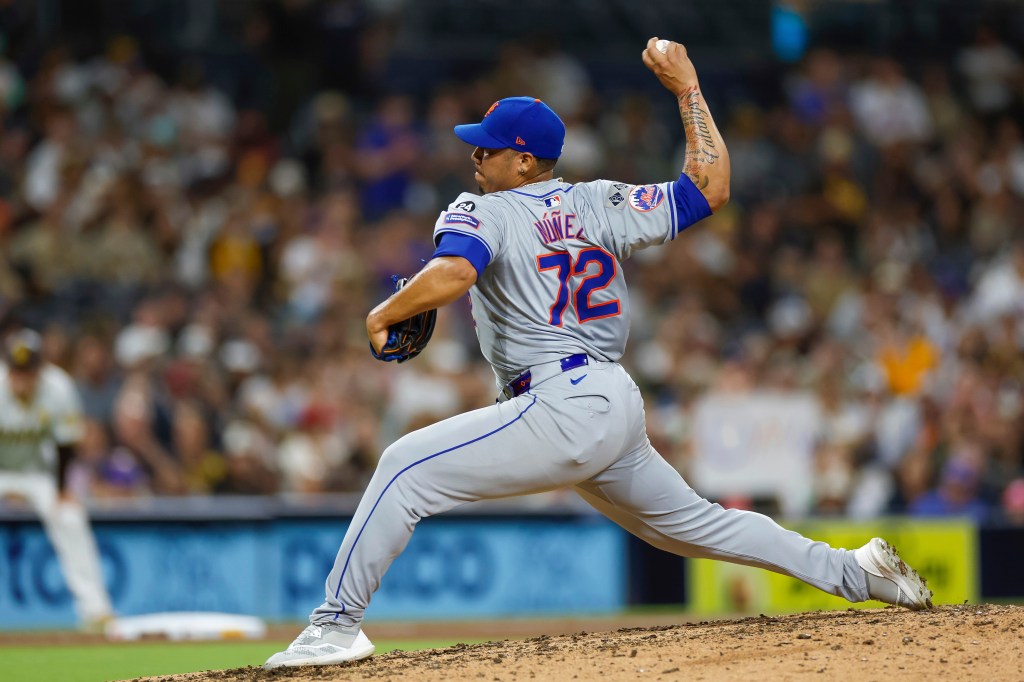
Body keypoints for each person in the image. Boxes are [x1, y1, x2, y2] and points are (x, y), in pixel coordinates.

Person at [266, 38, 932, 669]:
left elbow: (459, 272)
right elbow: (709, 187)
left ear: (524, 161)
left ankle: (334, 626)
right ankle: (856, 570)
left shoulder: (481, 210)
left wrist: (388, 309)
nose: (476, 158)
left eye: (489, 150)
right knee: (699, 526)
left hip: (559, 403)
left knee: (403, 465)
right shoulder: (599, 201)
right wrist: (689, 89)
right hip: (610, 401)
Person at [0, 329, 114, 631]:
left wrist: (63, 490)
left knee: (70, 516)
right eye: (16, 371)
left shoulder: (58, 386)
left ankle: (96, 610)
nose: (22, 379)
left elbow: (66, 444)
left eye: (28, 371)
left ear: (40, 369)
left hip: (40, 475)